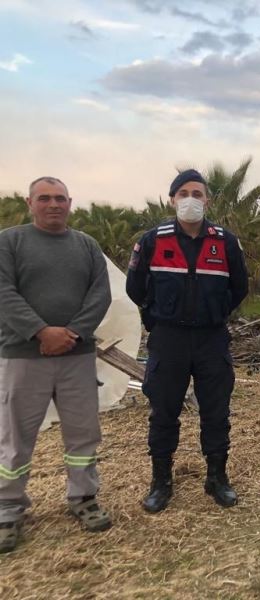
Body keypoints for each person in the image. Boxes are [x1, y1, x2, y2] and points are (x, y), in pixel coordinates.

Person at [0, 176, 112, 553]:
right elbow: (4, 293)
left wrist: (73, 333)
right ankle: (8, 509)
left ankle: (83, 497)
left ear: (70, 203)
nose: (53, 204)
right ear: (29, 203)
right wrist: (41, 332)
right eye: (44, 198)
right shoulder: (10, 242)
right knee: (15, 438)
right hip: (24, 356)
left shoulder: (86, 246)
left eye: (60, 198)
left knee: (82, 434)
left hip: (76, 357)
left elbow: (100, 294)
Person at [126, 169, 248, 513]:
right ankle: (161, 481)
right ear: (172, 199)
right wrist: (155, 317)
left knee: (216, 411)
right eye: (183, 193)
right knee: (164, 412)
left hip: (211, 338)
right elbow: (135, 288)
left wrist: (216, 312)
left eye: (197, 193)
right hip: (169, 339)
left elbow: (239, 287)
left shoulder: (225, 241)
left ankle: (216, 478)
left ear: (207, 200)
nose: (190, 199)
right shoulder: (153, 240)